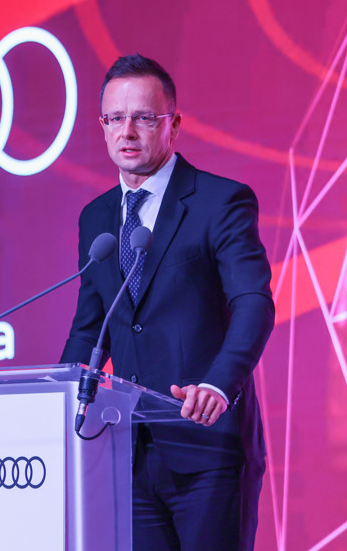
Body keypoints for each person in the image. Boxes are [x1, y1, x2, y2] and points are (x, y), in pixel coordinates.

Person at [60, 54, 275, 551]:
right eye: (115, 118)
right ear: (102, 126)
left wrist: (219, 384)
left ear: (173, 125)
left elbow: (253, 303)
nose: (127, 131)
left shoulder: (219, 202)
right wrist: (59, 399)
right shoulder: (96, 218)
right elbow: (90, 328)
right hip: (128, 451)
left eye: (144, 117)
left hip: (208, 449)